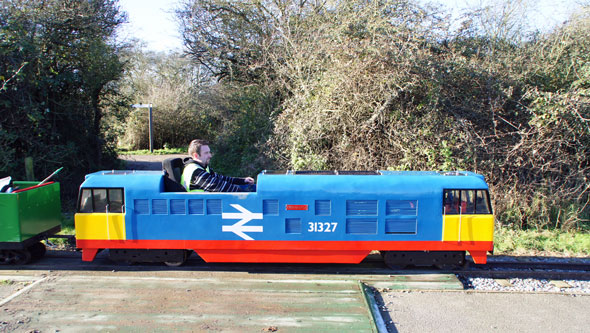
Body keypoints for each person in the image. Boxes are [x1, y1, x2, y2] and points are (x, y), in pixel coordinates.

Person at [181, 139, 255, 192]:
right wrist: (245, 193)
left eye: (209, 152)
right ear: (196, 156)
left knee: (252, 188)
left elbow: (220, 179)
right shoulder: (195, 171)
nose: (210, 155)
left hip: (207, 205)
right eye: (206, 153)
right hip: (200, 207)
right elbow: (219, 186)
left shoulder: (202, 167)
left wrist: (243, 181)